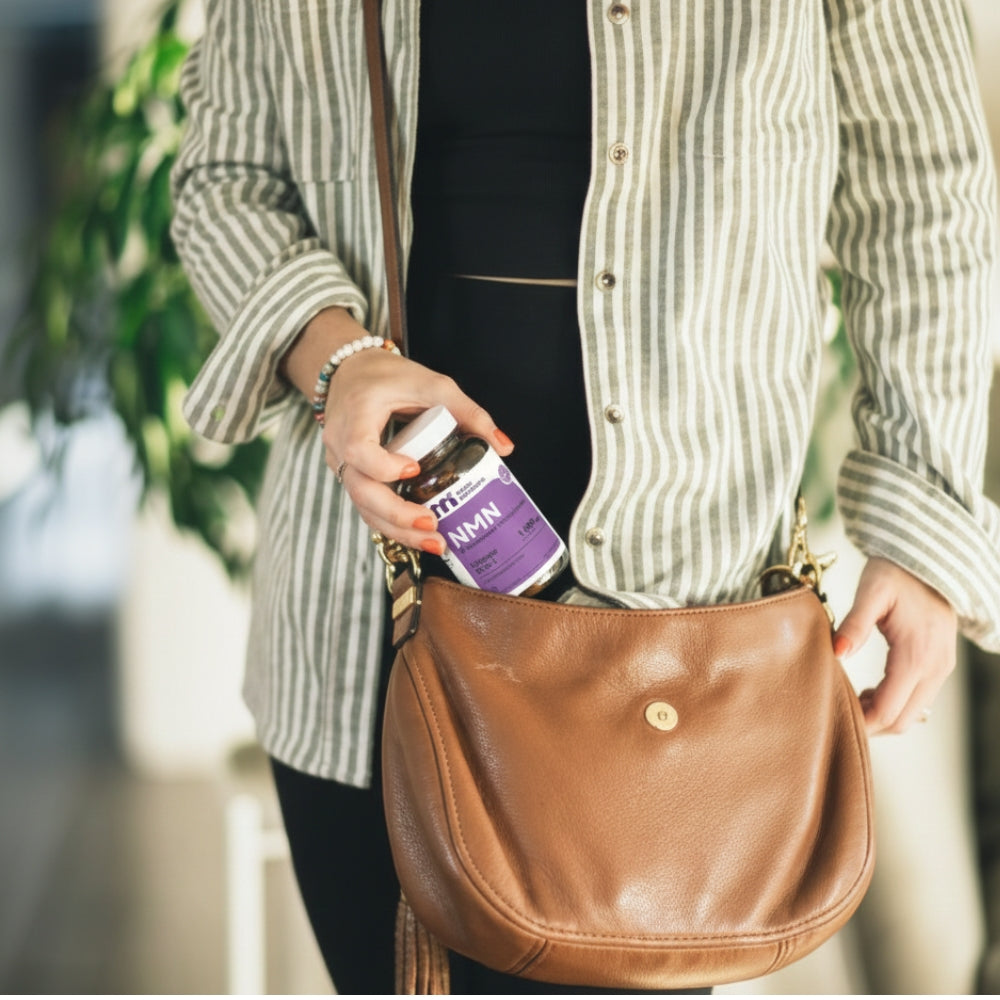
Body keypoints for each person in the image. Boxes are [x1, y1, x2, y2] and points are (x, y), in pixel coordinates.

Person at [170, 0, 1000, 994]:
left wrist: (921, 519)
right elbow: (226, 181)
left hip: (682, 636)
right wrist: (336, 356)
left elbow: (922, 191)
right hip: (365, 622)